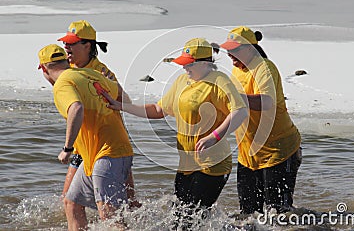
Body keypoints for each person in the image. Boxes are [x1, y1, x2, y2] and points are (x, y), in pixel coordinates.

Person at [104, 38, 248, 225]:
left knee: (189, 219)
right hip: (187, 165)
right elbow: (158, 110)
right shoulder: (182, 81)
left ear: (204, 63)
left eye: (188, 63)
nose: (183, 67)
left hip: (213, 164)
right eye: (183, 63)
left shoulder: (219, 81)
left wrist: (214, 137)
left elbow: (240, 111)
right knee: (180, 218)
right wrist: (123, 106)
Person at [37, 44, 134, 230]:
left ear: (43, 68)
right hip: (101, 154)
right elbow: (125, 101)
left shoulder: (63, 84)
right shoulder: (90, 74)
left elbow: (76, 108)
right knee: (71, 203)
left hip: (108, 154)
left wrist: (67, 148)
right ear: (66, 61)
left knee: (112, 220)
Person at [57, 20, 140, 208]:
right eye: (65, 43)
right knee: (68, 202)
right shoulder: (68, 69)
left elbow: (125, 102)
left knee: (129, 204)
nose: (66, 47)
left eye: (72, 43)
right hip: (82, 146)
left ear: (88, 46)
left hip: (107, 146)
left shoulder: (100, 72)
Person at [220, 26, 302, 215]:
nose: (229, 54)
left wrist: (235, 97)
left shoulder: (265, 68)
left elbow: (266, 102)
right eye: (228, 49)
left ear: (249, 48)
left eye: (234, 49)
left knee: (279, 214)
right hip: (248, 156)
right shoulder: (237, 71)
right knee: (248, 215)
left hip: (278, 151)